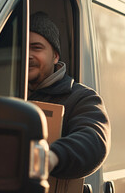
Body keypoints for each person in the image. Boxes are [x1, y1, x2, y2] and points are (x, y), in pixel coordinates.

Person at [27, 11, 110, 179]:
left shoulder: (81, 98)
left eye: (36, 48)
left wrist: (52, 157)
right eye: (21, 47)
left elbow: (94, 139)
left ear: (55, 56)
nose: (28, 55)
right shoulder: (2, 91)